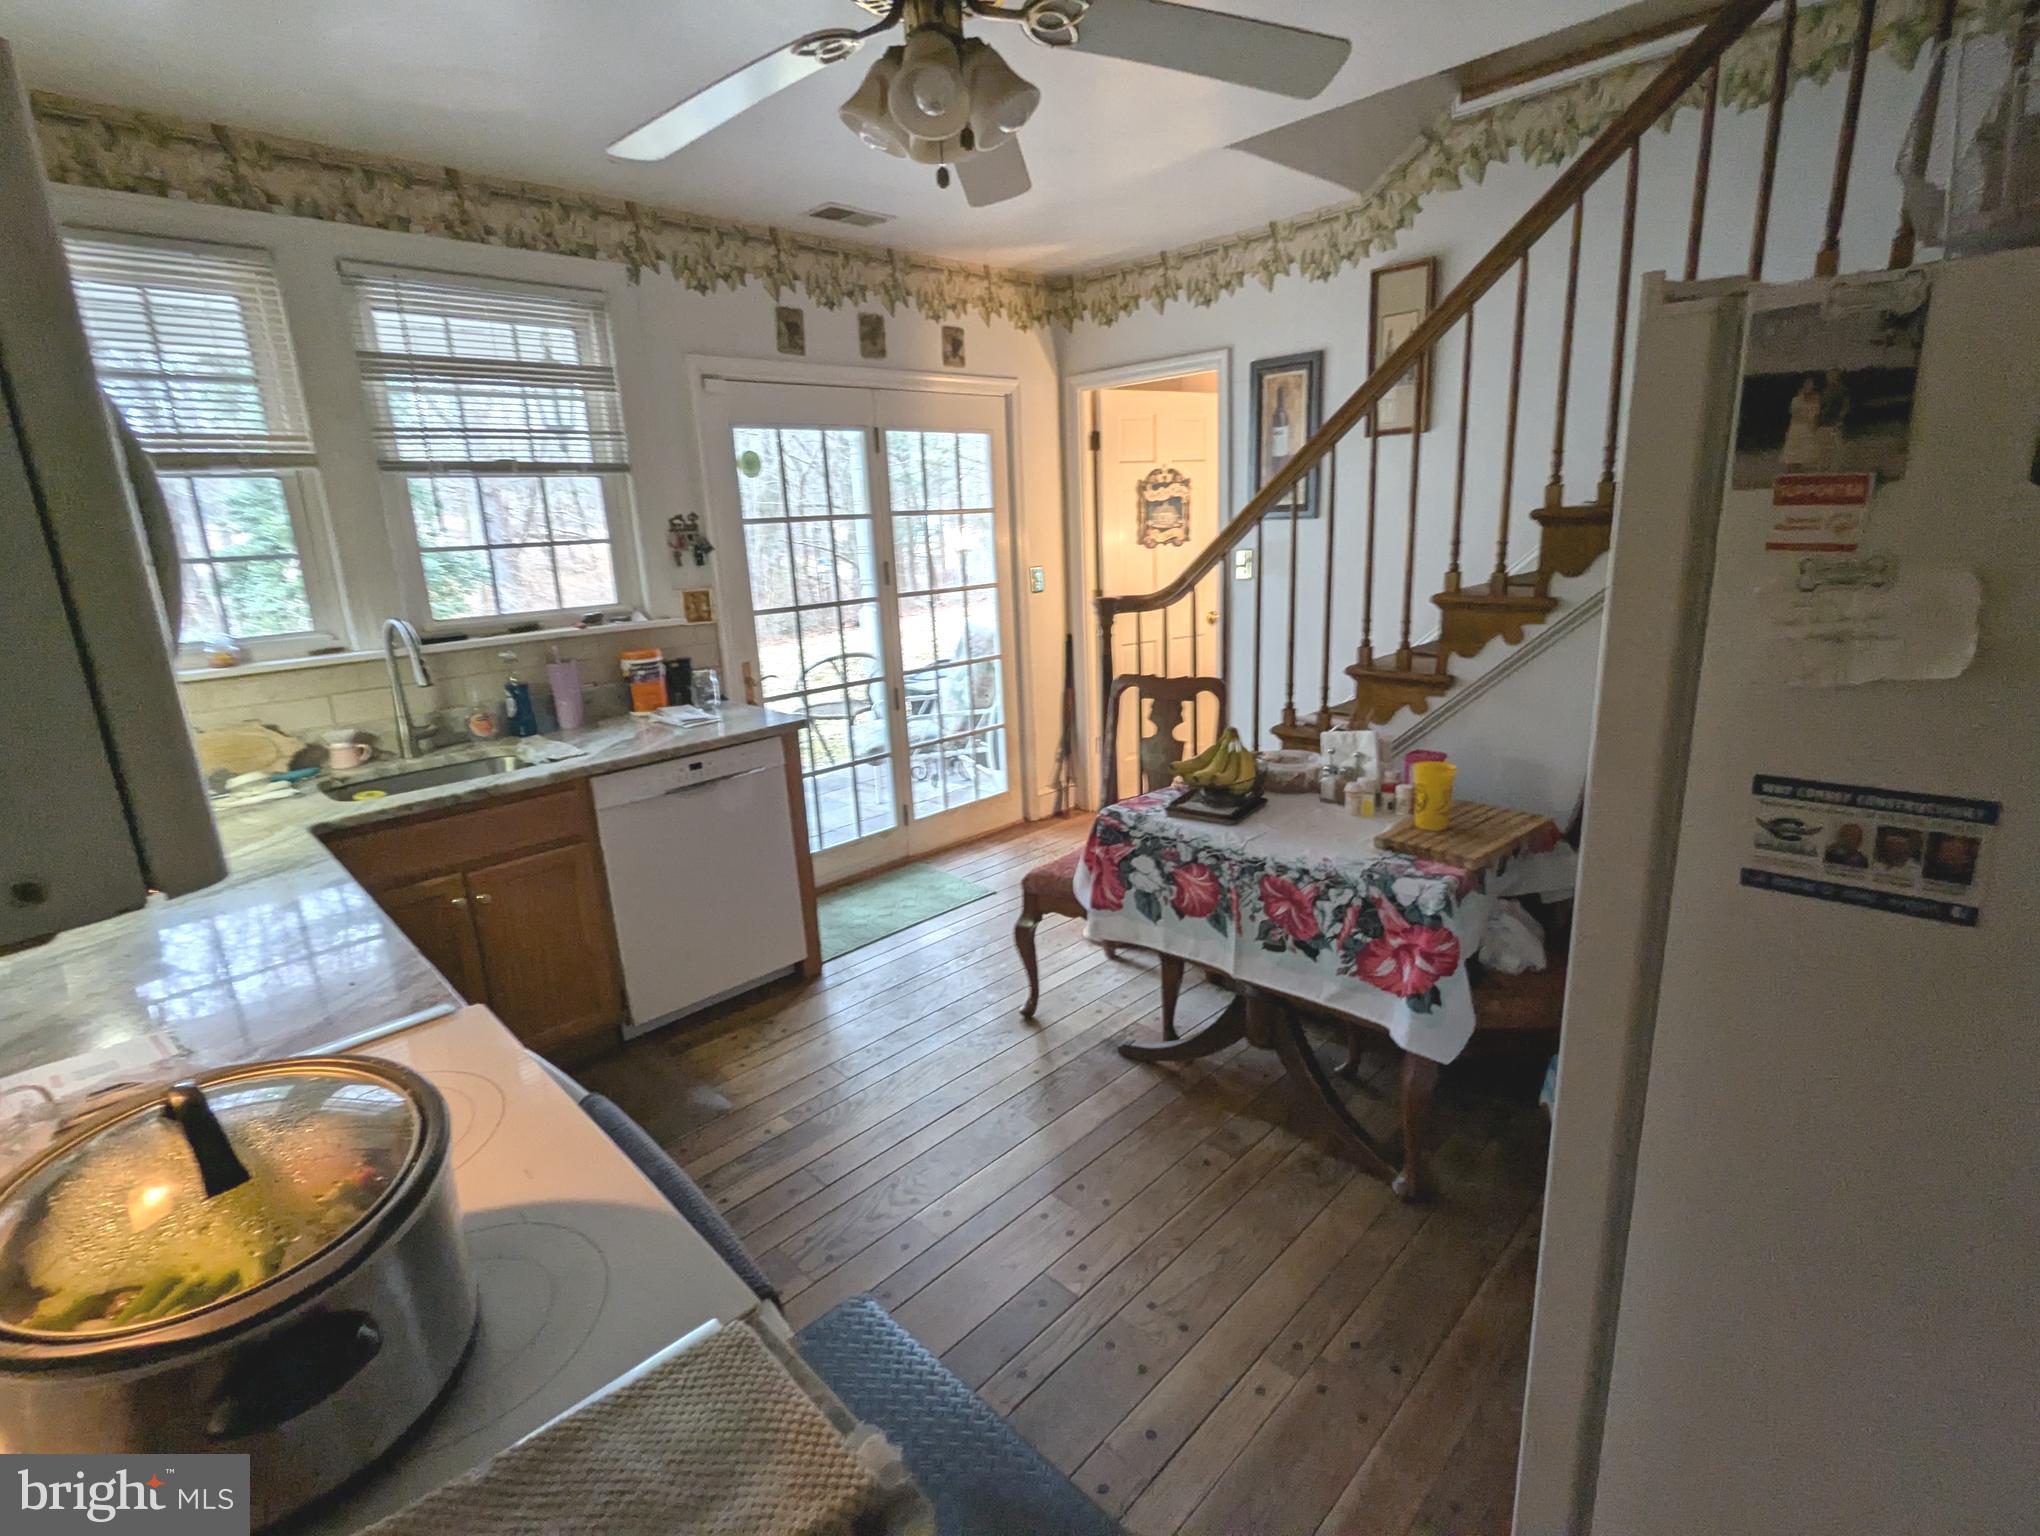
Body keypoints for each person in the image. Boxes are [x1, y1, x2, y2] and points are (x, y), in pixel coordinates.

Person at [1780, 376, 1823, 468]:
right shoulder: (1796, 400)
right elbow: (1795, 413)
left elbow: (1816, 413)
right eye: (1807, 384)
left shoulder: (1816, 399)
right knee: (1794, 453)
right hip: (1797, 428)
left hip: (1808, 428)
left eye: (1811, 384)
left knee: (1805, 454)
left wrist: (1813, 423)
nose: (1809, 387)